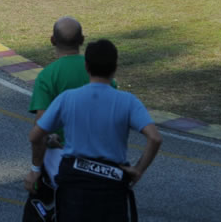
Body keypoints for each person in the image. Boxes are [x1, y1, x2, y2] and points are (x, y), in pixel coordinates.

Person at [27, 39, 162, 222]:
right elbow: (155, 138)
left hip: (74, 185)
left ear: (86, 67)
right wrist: (138, 170)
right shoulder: (128, 101)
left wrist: (42, 157)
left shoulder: (68, 98)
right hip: (111, 185)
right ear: (115, 68)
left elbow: (35, 136)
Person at [22, 17, 90, 222]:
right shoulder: (99, 74)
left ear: (52, 40)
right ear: (82, 40)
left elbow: (40, 130)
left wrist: (35, 169)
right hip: (96, 159)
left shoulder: (48, 76)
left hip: (59, 160)